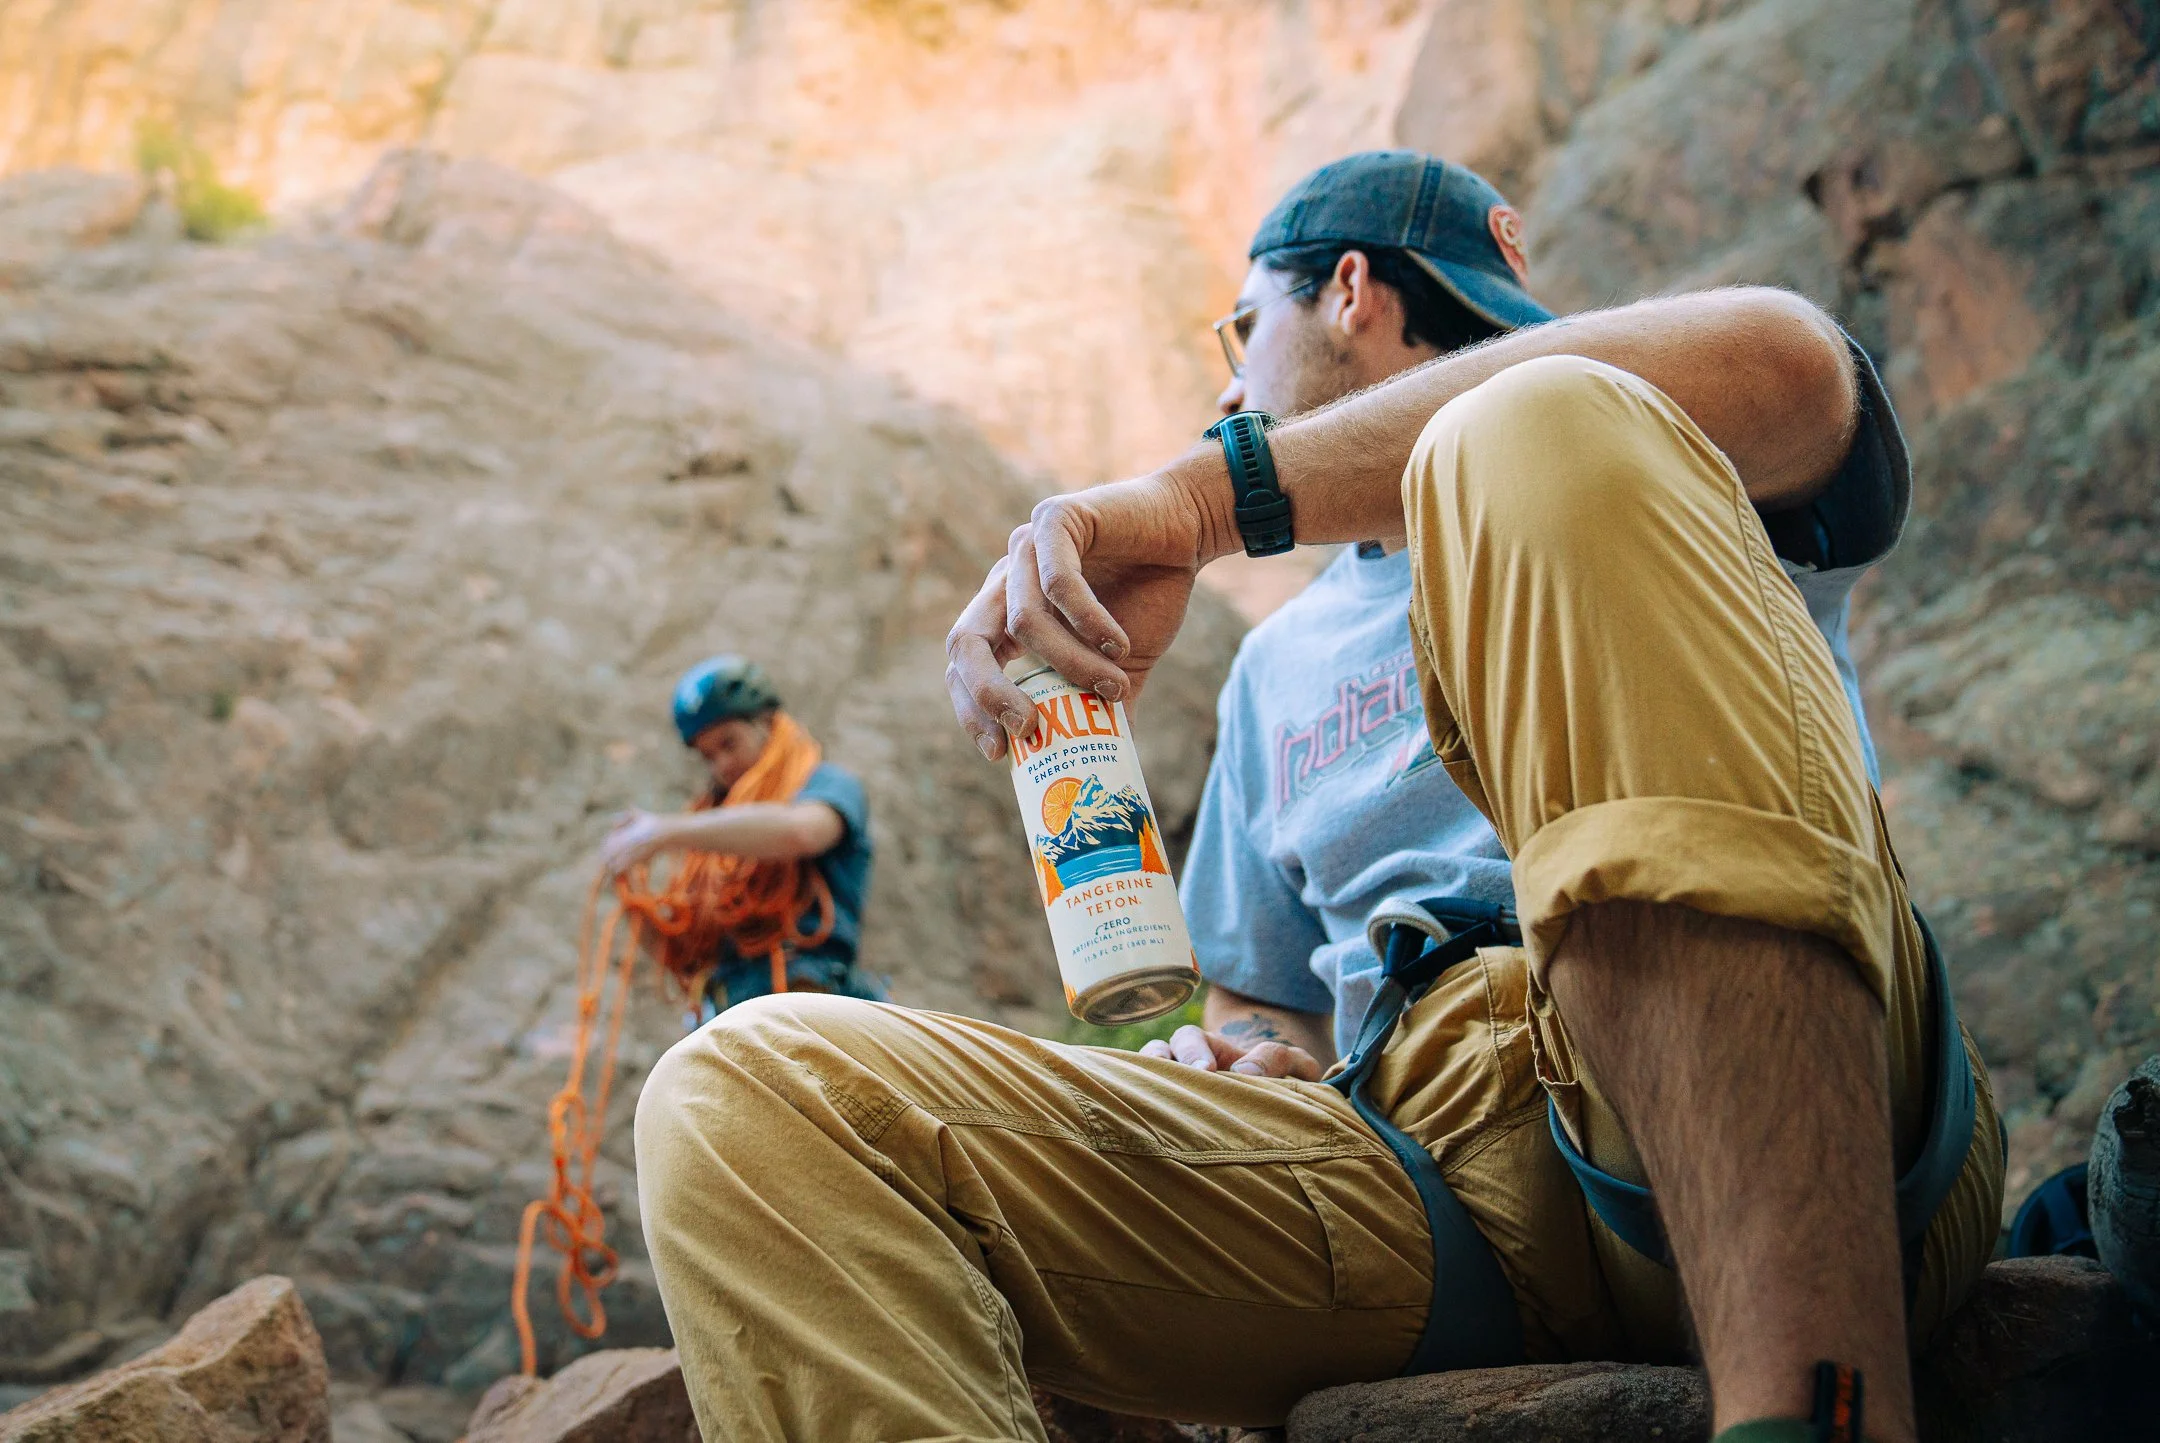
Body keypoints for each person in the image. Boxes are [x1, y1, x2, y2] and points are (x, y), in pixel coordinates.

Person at [633, 154, 2005, 1443]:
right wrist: (1229, 1051)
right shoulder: (1278, 661)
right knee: (742, 1092)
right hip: (1416, 1182)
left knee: (1521, 425)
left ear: (1346, 288)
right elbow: (1266, 996)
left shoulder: (1642, 443)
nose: (1229, 378)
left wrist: (1203, 501)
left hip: (1787, 1101)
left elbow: (1793, 362)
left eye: (1243, 328)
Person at [600, 656, 880, 1016]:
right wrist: (627, 891)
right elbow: (687, 959)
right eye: (707, 756)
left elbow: (802, 831)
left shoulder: (828, 784)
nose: (721, 764)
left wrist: (666, 831)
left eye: (729, 743)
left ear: (766, 722)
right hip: (727, 1010)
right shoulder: (712, 833)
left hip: (812, 1000)